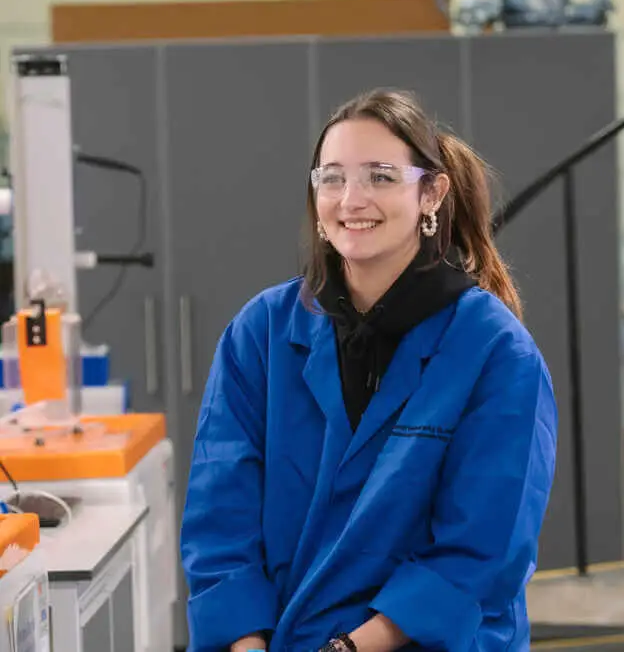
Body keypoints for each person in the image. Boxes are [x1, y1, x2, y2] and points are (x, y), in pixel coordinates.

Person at [181, 89, 558, 652]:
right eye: (331, 178)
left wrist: (350, 648)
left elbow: (484, 549)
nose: (351, 199)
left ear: (431, 192)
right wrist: (246, 644)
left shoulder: (496, 352)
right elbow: (220, 515)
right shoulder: (260, 333)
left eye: (381, 176)